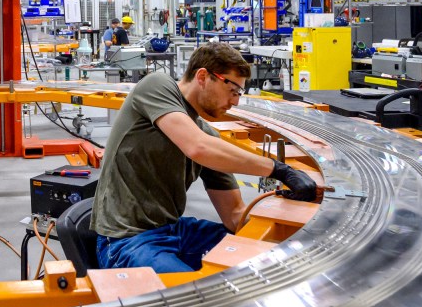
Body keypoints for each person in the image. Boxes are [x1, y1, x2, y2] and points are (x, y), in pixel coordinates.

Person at [91, 43, 318, 273]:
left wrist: (298, 225)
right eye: (233, 91)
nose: (236, 101)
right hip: (126, 239)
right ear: (203, 76)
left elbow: (234, 217)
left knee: (264, 255)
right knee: (194, 296)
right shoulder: (156, 85)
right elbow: (197, 147)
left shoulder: (208, 137)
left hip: (173, 231)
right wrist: (279, 170)